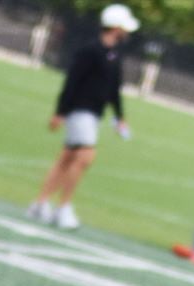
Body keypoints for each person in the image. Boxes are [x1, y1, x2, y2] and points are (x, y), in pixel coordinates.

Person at [27, 4, 138, 230]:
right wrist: (60, 111)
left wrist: (120, 116)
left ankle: (40, 203)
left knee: (67, 158)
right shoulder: (90, 50)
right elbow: (72, 82)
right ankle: (63, 207)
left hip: (94, 113)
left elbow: (114, 89)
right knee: (85, 156)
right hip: (80, 110)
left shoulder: (114, 54)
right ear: (115, 27)